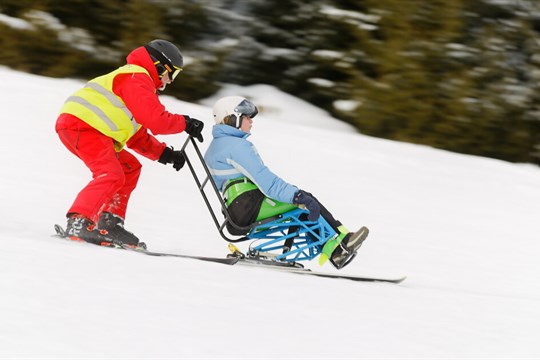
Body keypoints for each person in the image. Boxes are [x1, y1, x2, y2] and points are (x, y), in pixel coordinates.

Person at [55, 39, 204, 248]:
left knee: (129, 167)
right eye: (173, 74)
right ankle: (78, 221)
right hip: (83, 125)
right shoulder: (136, 77)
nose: (170, 81)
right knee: (111, 173)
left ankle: (110, 222)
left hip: (89, 129)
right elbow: (157, 120)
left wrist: (166, 154)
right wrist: (185, 123)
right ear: (159, 66)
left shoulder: (137, 84)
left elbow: (137, 135)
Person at [203, 96, 368, 269]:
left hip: (235, 212)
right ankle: (340, 244)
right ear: (233, 118)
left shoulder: (215, 147)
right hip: (248, 207)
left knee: (302, 204)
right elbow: (268, 183)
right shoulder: (237, 146)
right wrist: (296, 196)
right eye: (247, 116)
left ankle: (333, 247)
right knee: (305, 200)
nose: (251, 121)